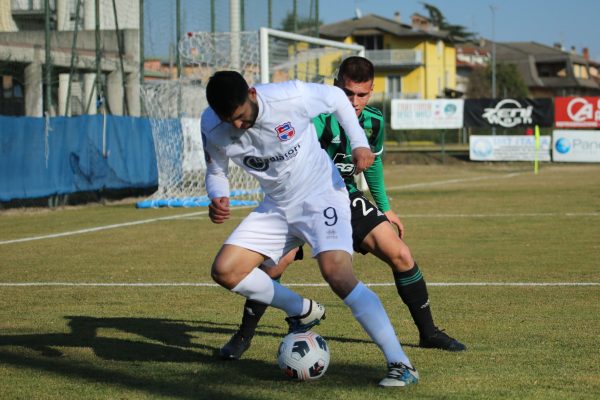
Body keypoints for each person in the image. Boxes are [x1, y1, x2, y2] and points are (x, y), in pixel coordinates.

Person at [219, 57, 466, 362]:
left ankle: (429, 334)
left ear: (371, 92)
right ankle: (244, 335)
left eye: (361, 95)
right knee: (272, 267)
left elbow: (372, 167)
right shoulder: (318, 117)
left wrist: (385, 208)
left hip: (344, 196)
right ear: (336, 88)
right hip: (304, 198)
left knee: (400, 254)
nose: (354, 101)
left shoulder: (374, 121)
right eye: (348, 93)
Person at [202, 70, 418, 387]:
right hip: (276, 205)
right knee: (225, 270)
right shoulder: (211, 124)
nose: (236, 126)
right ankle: (302, 310)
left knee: (337, 273)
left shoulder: (289, 96)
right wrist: (217, 195)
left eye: (240, 116)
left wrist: (359, 143)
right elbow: (216, 169)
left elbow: (335, 99)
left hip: (321, 195)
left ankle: (401, 364)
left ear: (251, 94)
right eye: (227, 119)